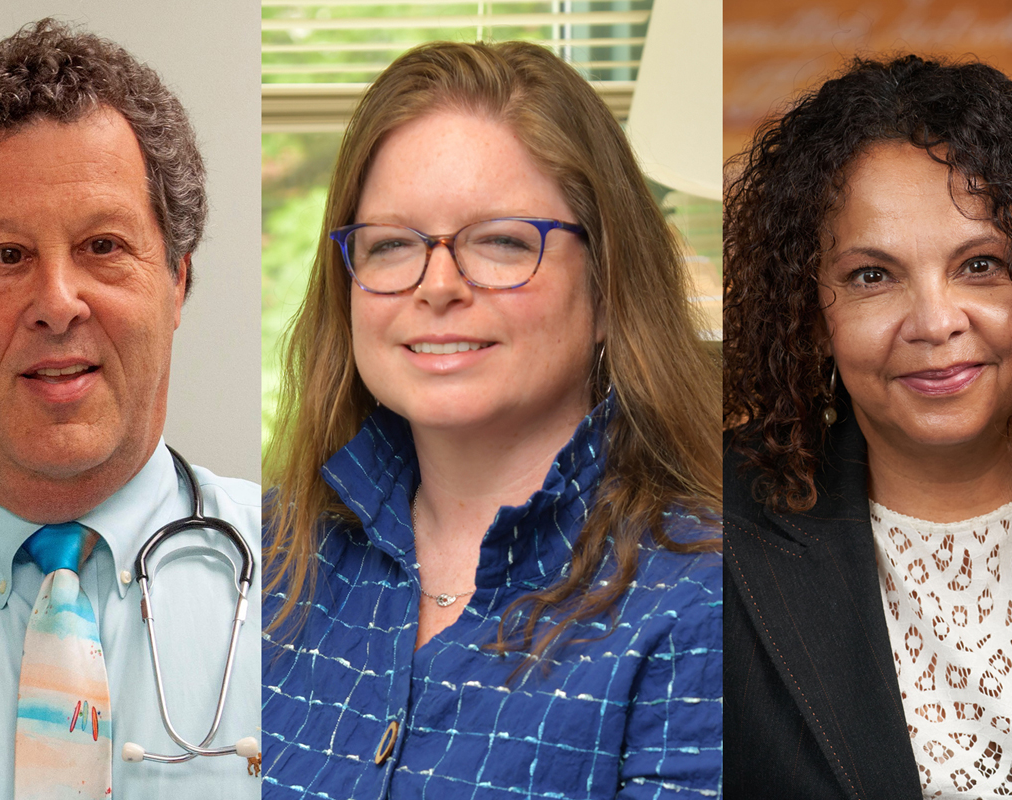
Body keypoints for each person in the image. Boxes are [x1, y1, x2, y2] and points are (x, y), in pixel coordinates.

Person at [261, 40, 722, 798]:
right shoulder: (266, 561)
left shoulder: (701, 602)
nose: (437, 285)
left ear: (609, 289)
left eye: (503, 241)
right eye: (391, 245)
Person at [724, 54, 1012, 798]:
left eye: (982, 265)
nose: (934, 323)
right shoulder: (712, 533)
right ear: (809, 308)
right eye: (873, 276)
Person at [0, 20, 261, 799]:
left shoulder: (312, 583)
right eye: (7, 256)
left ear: (177, 283)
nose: (58, 304)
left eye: (103, 245)